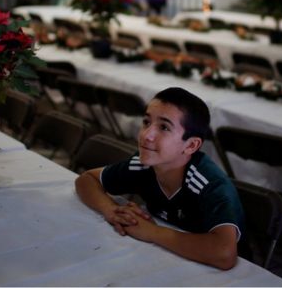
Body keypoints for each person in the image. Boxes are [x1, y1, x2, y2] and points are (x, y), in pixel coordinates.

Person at [75, 87, 244, 270]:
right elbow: (86, 180)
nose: (146, 135)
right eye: (146, 122)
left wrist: (152, 232)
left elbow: (224, 254)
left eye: (164, 127)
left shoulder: (209, 185)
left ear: (191, 145)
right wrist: (111, 210)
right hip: (164, 259)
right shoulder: (144, 165)